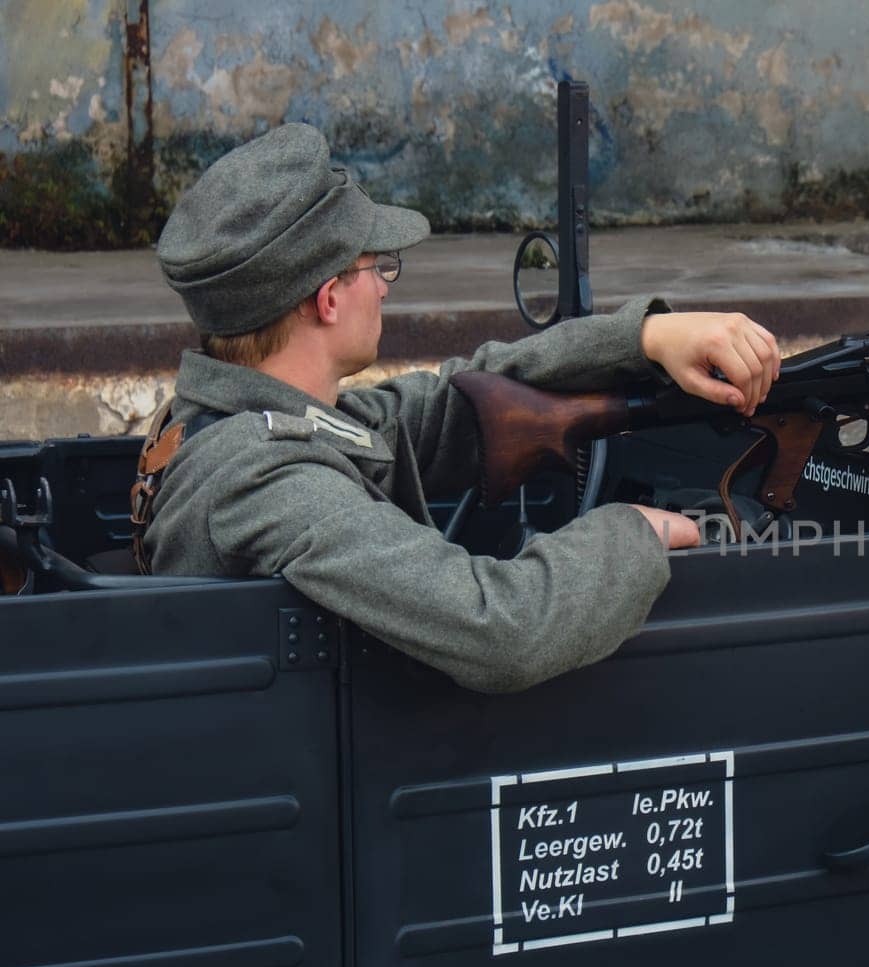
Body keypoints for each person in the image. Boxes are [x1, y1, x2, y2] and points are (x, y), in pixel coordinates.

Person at [140, 123, 779, 693]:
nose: (385, 287)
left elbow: (456, 399)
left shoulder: (232, 417)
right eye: (378, 265)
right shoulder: (268, 483)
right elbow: (504, 630)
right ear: (329, 299)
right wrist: (634, 534)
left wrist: (645, 338)